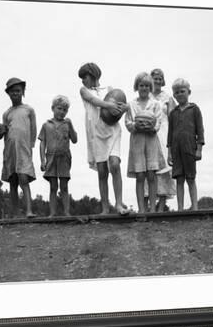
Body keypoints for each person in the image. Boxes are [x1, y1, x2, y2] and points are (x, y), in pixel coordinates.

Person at [78, 62, 129, 215]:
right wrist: (108, 105)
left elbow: (121, 105)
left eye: (84, 77)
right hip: (96, 133)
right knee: (102, 171)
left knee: (114, 164)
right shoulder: (84, 90)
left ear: (93, 75)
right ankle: (105, 208)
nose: (82, 80)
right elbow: (94, 101)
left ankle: (119, 205)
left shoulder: (109, 89)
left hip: (112, 131)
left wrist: (124, 108)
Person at [125, 72, 166, 213]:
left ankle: (153, 209)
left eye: (147, 86)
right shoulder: (131, 104)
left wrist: (151, 127)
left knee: (151, 175)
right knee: (140, 176)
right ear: (137, 86)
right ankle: (141, 209)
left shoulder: (155, 104)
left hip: (151, 141)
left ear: (151, 88)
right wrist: (135, 125)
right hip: (137, 142)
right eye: (141, 85)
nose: (144, 88)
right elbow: (128, 122)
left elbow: (158, 121)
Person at [167, 78, 205, 211]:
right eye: (176, 92)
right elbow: (170, 134)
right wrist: (169, 153)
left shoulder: (195, 109)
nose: (180, 94)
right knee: (179, 179)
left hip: (190, 148)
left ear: (189, 92)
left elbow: (200, 130)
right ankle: (180, 208)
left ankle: (195, 207)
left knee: (190, 178)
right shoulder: (173, 113)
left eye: (182, 91)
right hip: (176, 150)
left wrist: (199, 149)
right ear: (174, 95)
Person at [2, 77, 37, 218]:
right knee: (13, 181)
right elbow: (4, 132)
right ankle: (15, 213)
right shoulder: (6, 113)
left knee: (24, 178)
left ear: (22, 92)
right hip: (10, 150)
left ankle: (29, 210)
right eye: (12, 92)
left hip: (24, 149)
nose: (15, 94)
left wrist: (31, 146)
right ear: (8, 94)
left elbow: (33, 130)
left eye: (18, 91)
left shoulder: (29, 110)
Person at [143, 68, 177, 212]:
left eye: (159, 78)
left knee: (164, 171)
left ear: (163, 81)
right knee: (146, 169)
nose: (157, 80)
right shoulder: (145, 95)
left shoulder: (167, 97)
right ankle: (145, 207)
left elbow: (174, 117)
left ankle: (160, 208)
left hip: (164, 134)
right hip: (148, 134)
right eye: (154, 78)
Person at [38, 95, 78, 216]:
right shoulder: (46, 125)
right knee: (53, 187)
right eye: (59, 108)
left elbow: (75, 140)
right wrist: (42, 160)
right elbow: (42, 143)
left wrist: (71, 125)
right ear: (53, 108)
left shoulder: (67, 124)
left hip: (64, 158)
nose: (62, 112)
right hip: (50, 158)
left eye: (65, 110)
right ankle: (52, 213)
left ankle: (67, 212)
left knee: (64, 186)